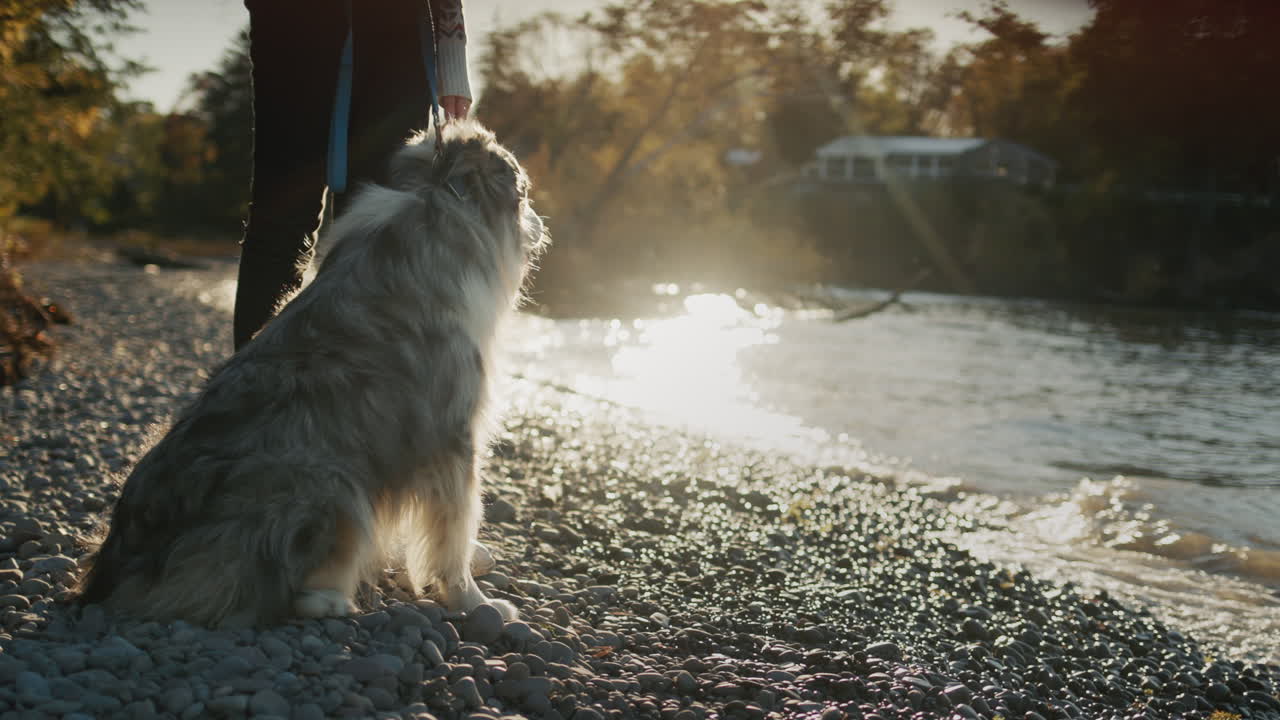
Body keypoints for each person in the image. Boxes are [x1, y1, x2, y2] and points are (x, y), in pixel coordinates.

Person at [234, 0, 473, 350]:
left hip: (397, 31)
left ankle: (352, 394)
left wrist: (452, 51)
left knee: (374, 227)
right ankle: (248, 394)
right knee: (280, 220)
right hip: (291, 23)